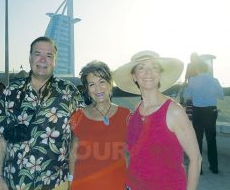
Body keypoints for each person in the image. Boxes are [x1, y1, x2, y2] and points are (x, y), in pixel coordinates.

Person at [0, 36, 84, 190]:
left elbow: (79, 137)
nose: (43, 60)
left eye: (49, 56)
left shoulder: (69, 92)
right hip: (16, 181)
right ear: (30, 57)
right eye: (38, 54)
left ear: (55, 61)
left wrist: (74, 177)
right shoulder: (11, 92)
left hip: (57, 182)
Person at [113, 50, 202, 190]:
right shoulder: (136, 110)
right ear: (134, 76)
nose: (148, 73)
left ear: (159, 74)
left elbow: (196, 159)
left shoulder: (174, 112)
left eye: (154, 67)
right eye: (141, 68)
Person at [69, 61, 130, 190]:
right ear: (87, 89)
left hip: (116, 184)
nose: (98, 89)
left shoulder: (126, 115)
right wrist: (70, 183)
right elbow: (73, 154)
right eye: (92, 84)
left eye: (102, 82)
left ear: (110, 83)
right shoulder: (78, 117)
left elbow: (130, 153)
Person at [184, 60, 224, 174]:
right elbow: (221, 96)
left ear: (197, 69)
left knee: (198, 140)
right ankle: (214, 167)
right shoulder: (214, 80)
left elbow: (186, 96)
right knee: (211, 140)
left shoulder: (192, 80)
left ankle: (199, 168)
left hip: (198, 112)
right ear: (207, 69)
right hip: (211, 111)